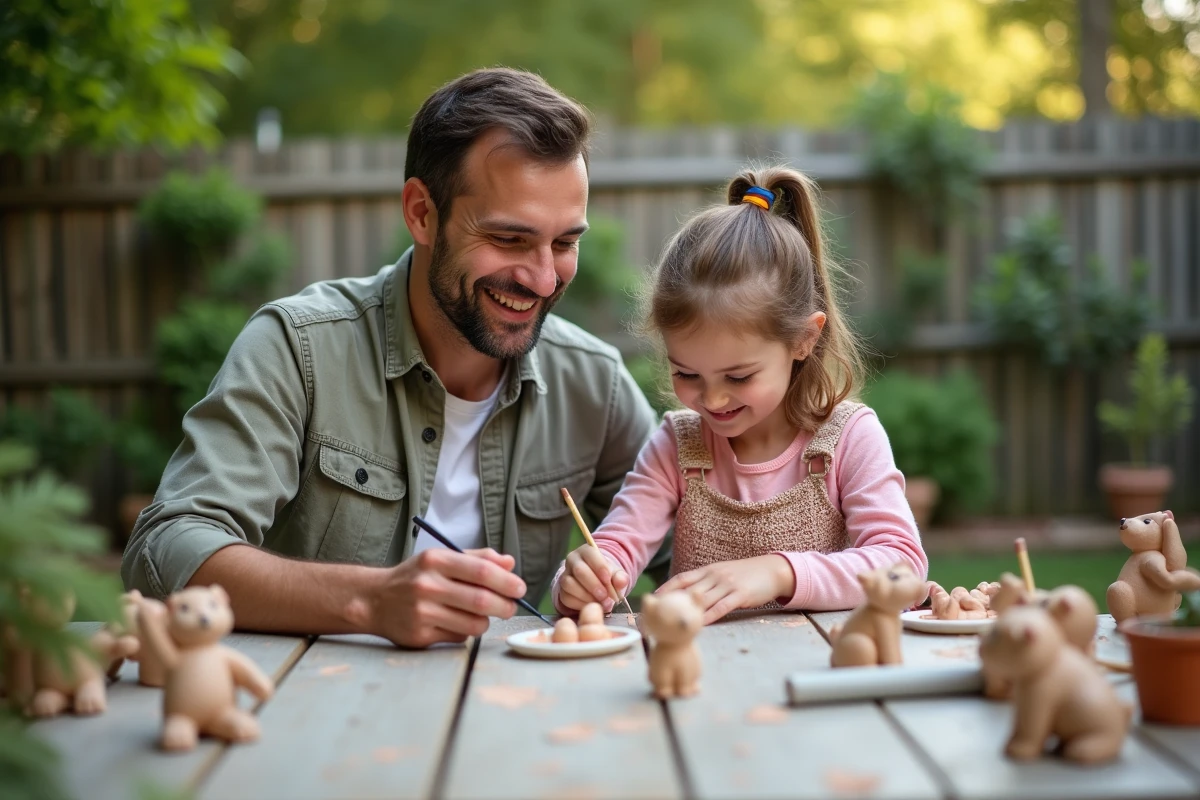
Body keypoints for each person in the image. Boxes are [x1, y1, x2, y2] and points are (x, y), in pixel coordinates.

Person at [122, 67, 667, 649]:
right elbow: (165, 551)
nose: (541, 278)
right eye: (509, 239)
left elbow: (708, 538)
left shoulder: (593, 382)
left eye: (564, 243)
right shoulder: (298, 348)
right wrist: (368, 601)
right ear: (421, 213)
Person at [552, 166, 928, 625]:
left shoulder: (848, 439)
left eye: (738, 376)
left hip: (829, 677)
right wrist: (589, 576)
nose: (711, 400)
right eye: (686, 373)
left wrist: (776, 573)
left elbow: (902, 565)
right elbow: (618, 545)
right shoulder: (678, 446)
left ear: (803, 341)